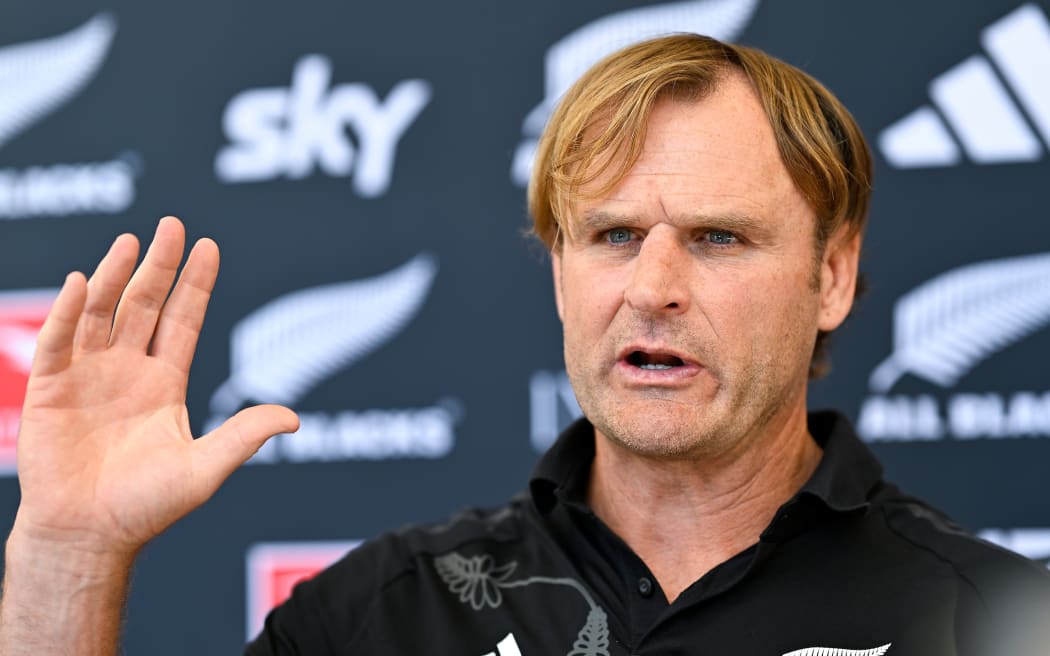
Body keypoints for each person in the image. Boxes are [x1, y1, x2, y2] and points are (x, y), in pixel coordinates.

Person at [0, 33, 1047, 656]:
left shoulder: (992, 618)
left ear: (832, 275)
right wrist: (71, 552)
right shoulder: (381, 616)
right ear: (558, 266)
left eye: (719, 238)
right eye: (613, 235)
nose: (654, 288)